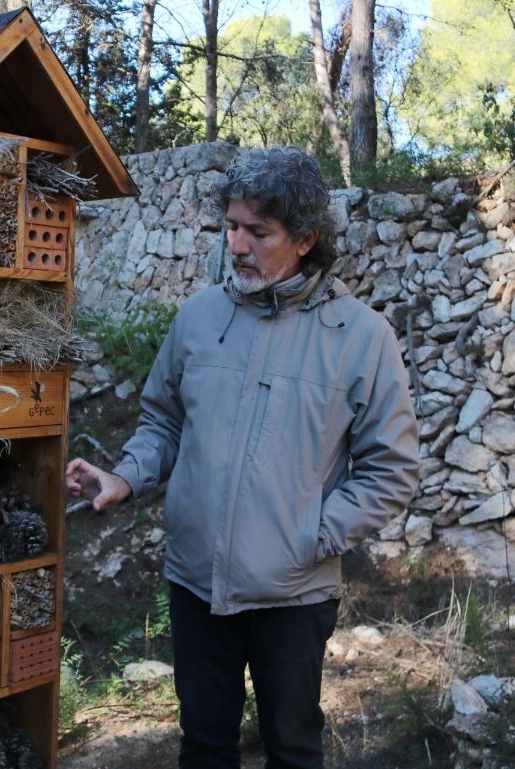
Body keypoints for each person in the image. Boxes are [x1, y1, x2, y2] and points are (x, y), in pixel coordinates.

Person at [65, 147, 419, 769]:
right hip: (195, 582)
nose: (237, 245)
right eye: (231, 226)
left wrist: (312, 536)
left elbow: (391, 470)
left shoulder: (362, 338)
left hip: (294, 593)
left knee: (292, 750)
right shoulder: (200, 317)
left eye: (258, 231)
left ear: (305, 239)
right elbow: (163, 422)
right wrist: (124, 476)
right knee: (204, 748)